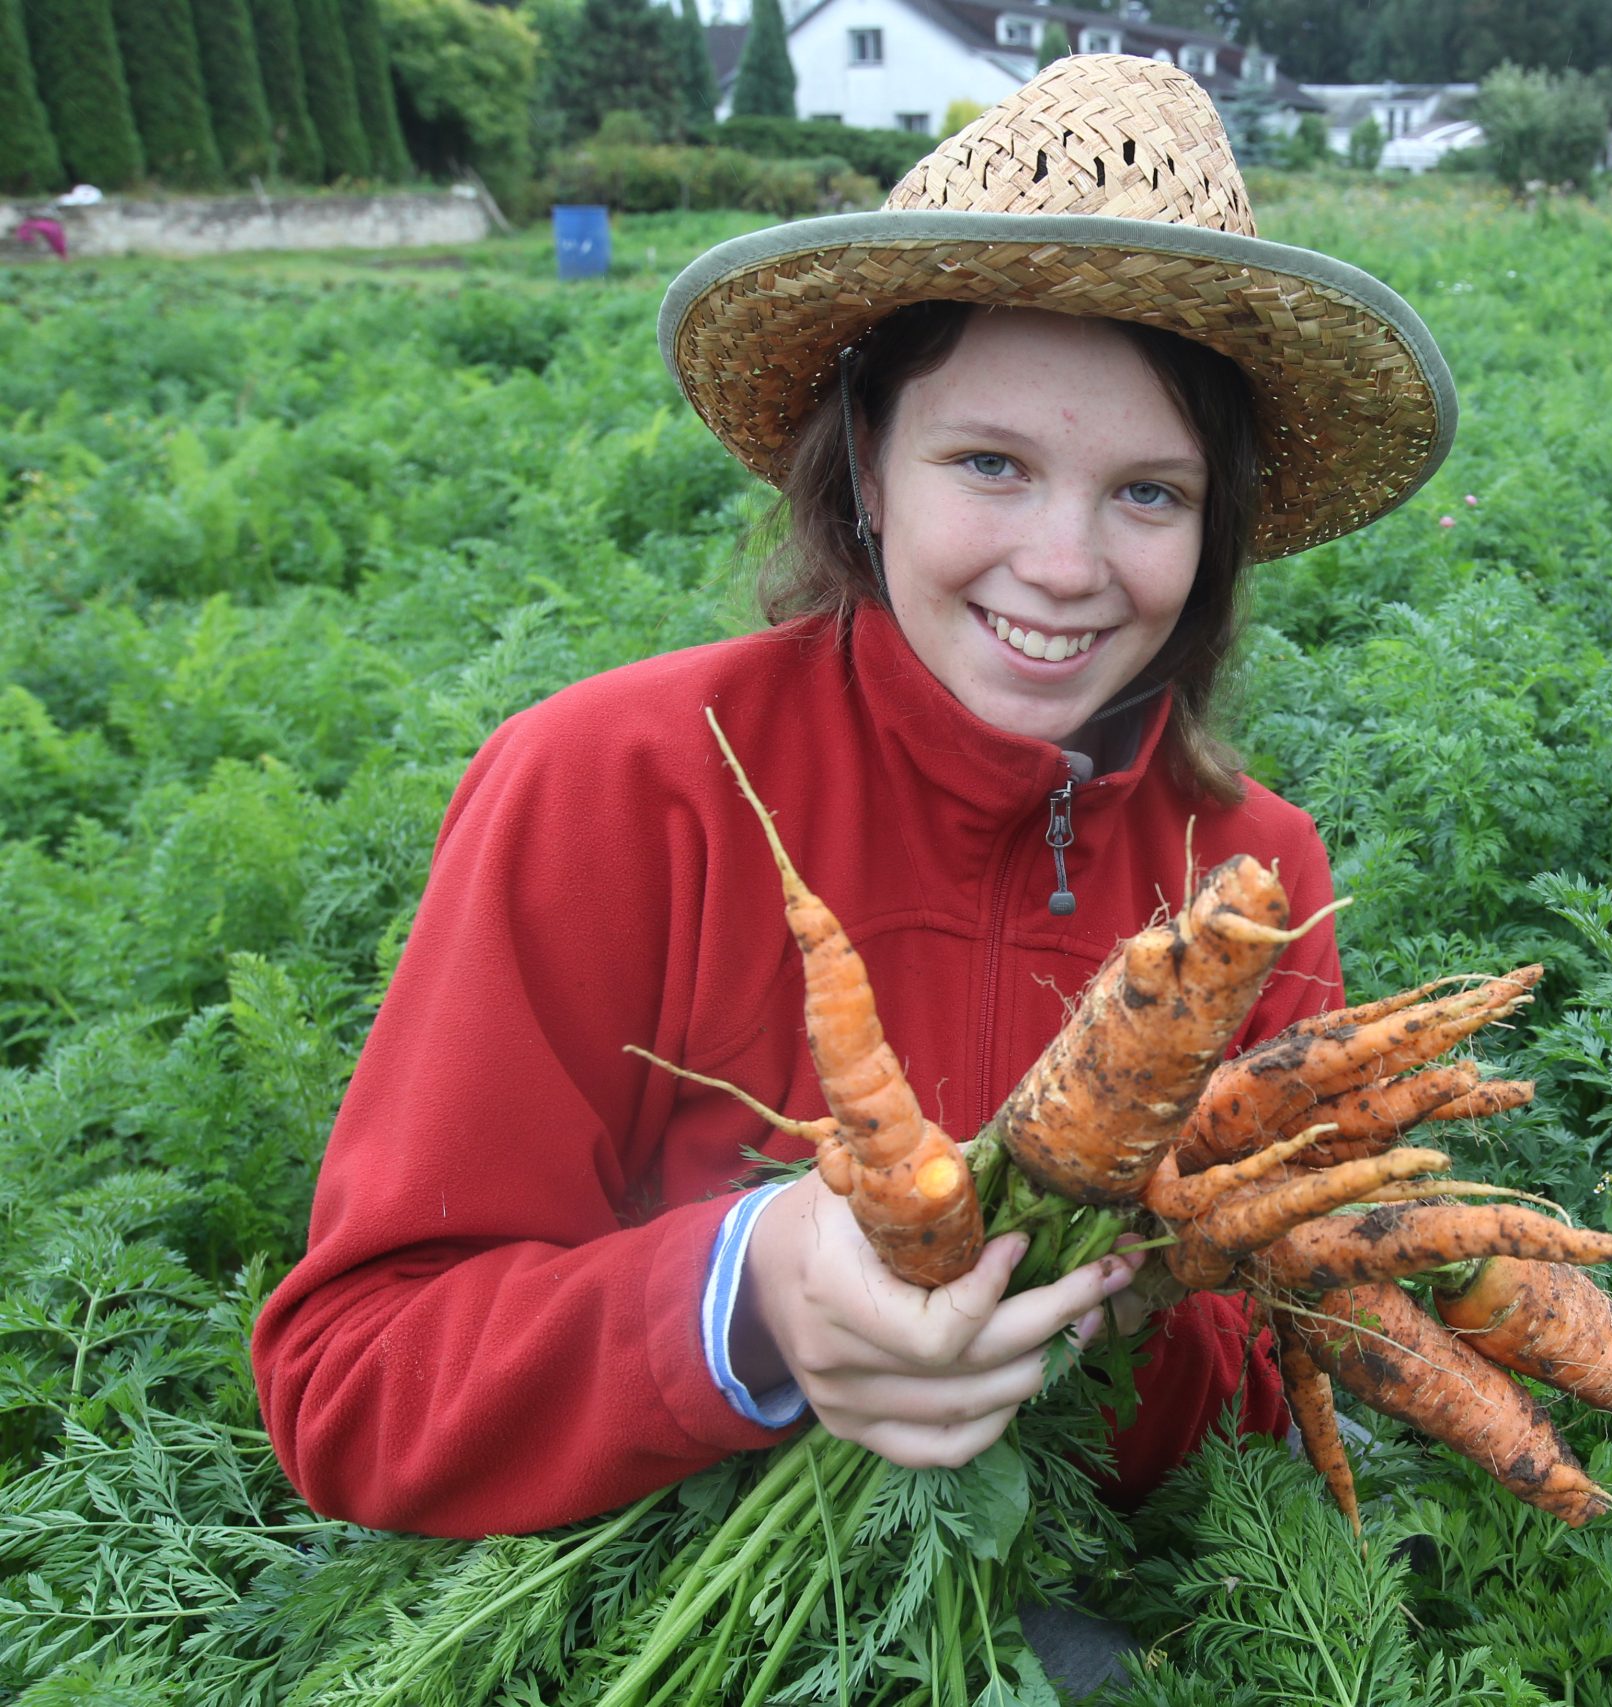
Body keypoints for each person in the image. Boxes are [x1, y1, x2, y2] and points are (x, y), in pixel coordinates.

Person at [251, 55, 1455, 1540]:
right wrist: (748, 1298)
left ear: (1214, 537)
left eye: (1151, 492)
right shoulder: (612, 789)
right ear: (868, 469)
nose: (1067, 566)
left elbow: (1289, 1379)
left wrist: (1135, 1312)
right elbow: (354, 1382)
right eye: (992, 464)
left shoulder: (1254, 875)